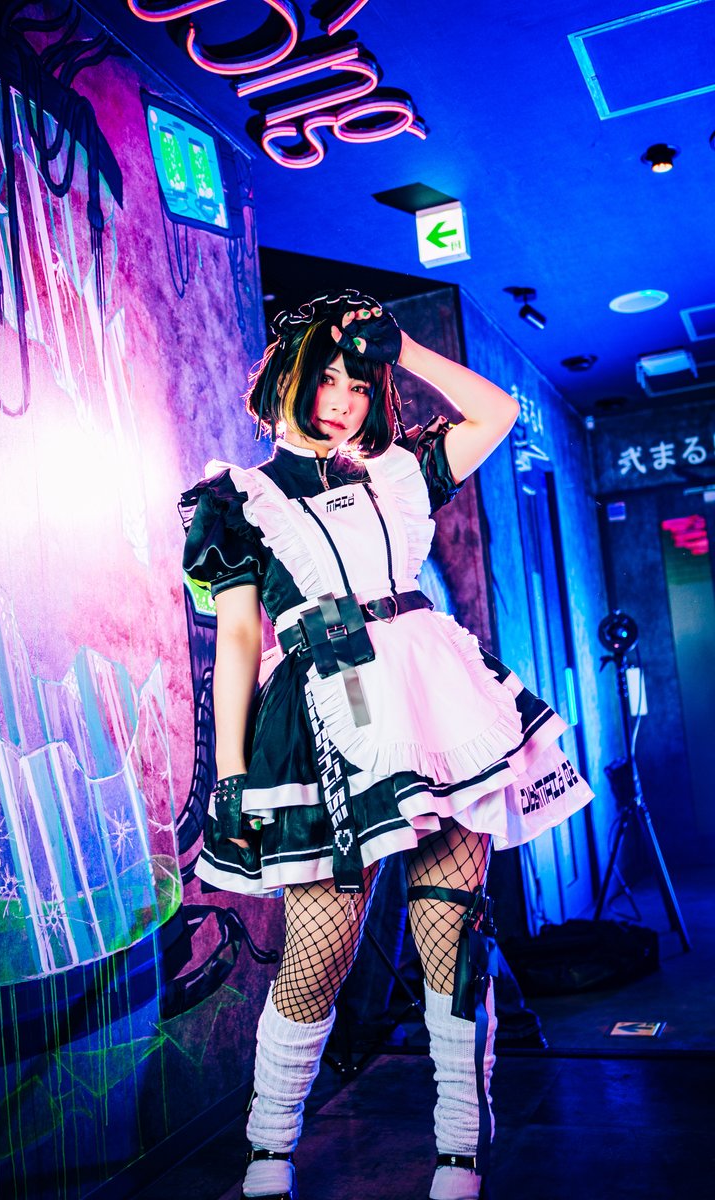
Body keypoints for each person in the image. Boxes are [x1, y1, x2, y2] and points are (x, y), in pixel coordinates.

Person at [179, 291, 592, 1200]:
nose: (343, 399)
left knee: (453, 938)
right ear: (287, 382)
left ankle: (460, 1151)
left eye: (359, 384)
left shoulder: (397, 473)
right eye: (326, 379)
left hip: (436, 703)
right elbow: (239, 638)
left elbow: (496, 414)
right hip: (325, 716)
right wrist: (232, 774)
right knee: (316, 956)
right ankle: (268, 1152)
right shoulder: (236, 498)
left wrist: (401, 346)